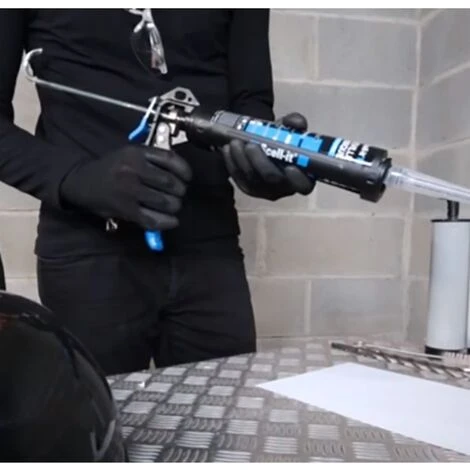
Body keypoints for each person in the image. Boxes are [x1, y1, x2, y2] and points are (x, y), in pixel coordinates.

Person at [0, 9, 315, 376]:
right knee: (99, 412)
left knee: (221, 408)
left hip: (211, 251)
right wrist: (77, 178)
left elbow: (251, 106)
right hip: (88, 252)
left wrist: (261, 165)